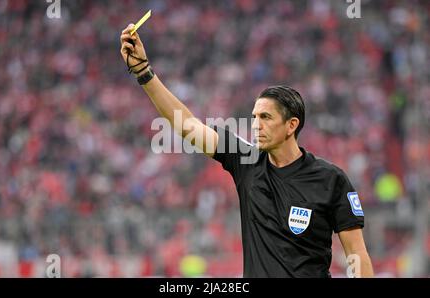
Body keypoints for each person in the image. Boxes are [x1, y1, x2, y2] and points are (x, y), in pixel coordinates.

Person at [120, 23, 374, 278]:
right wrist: (143, 71)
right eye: (254, 117)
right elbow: (187, 126)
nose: (256, 125)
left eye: (265, 117)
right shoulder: (246, 161)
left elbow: (356, 253)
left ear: (291, 125)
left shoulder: (331, 180)